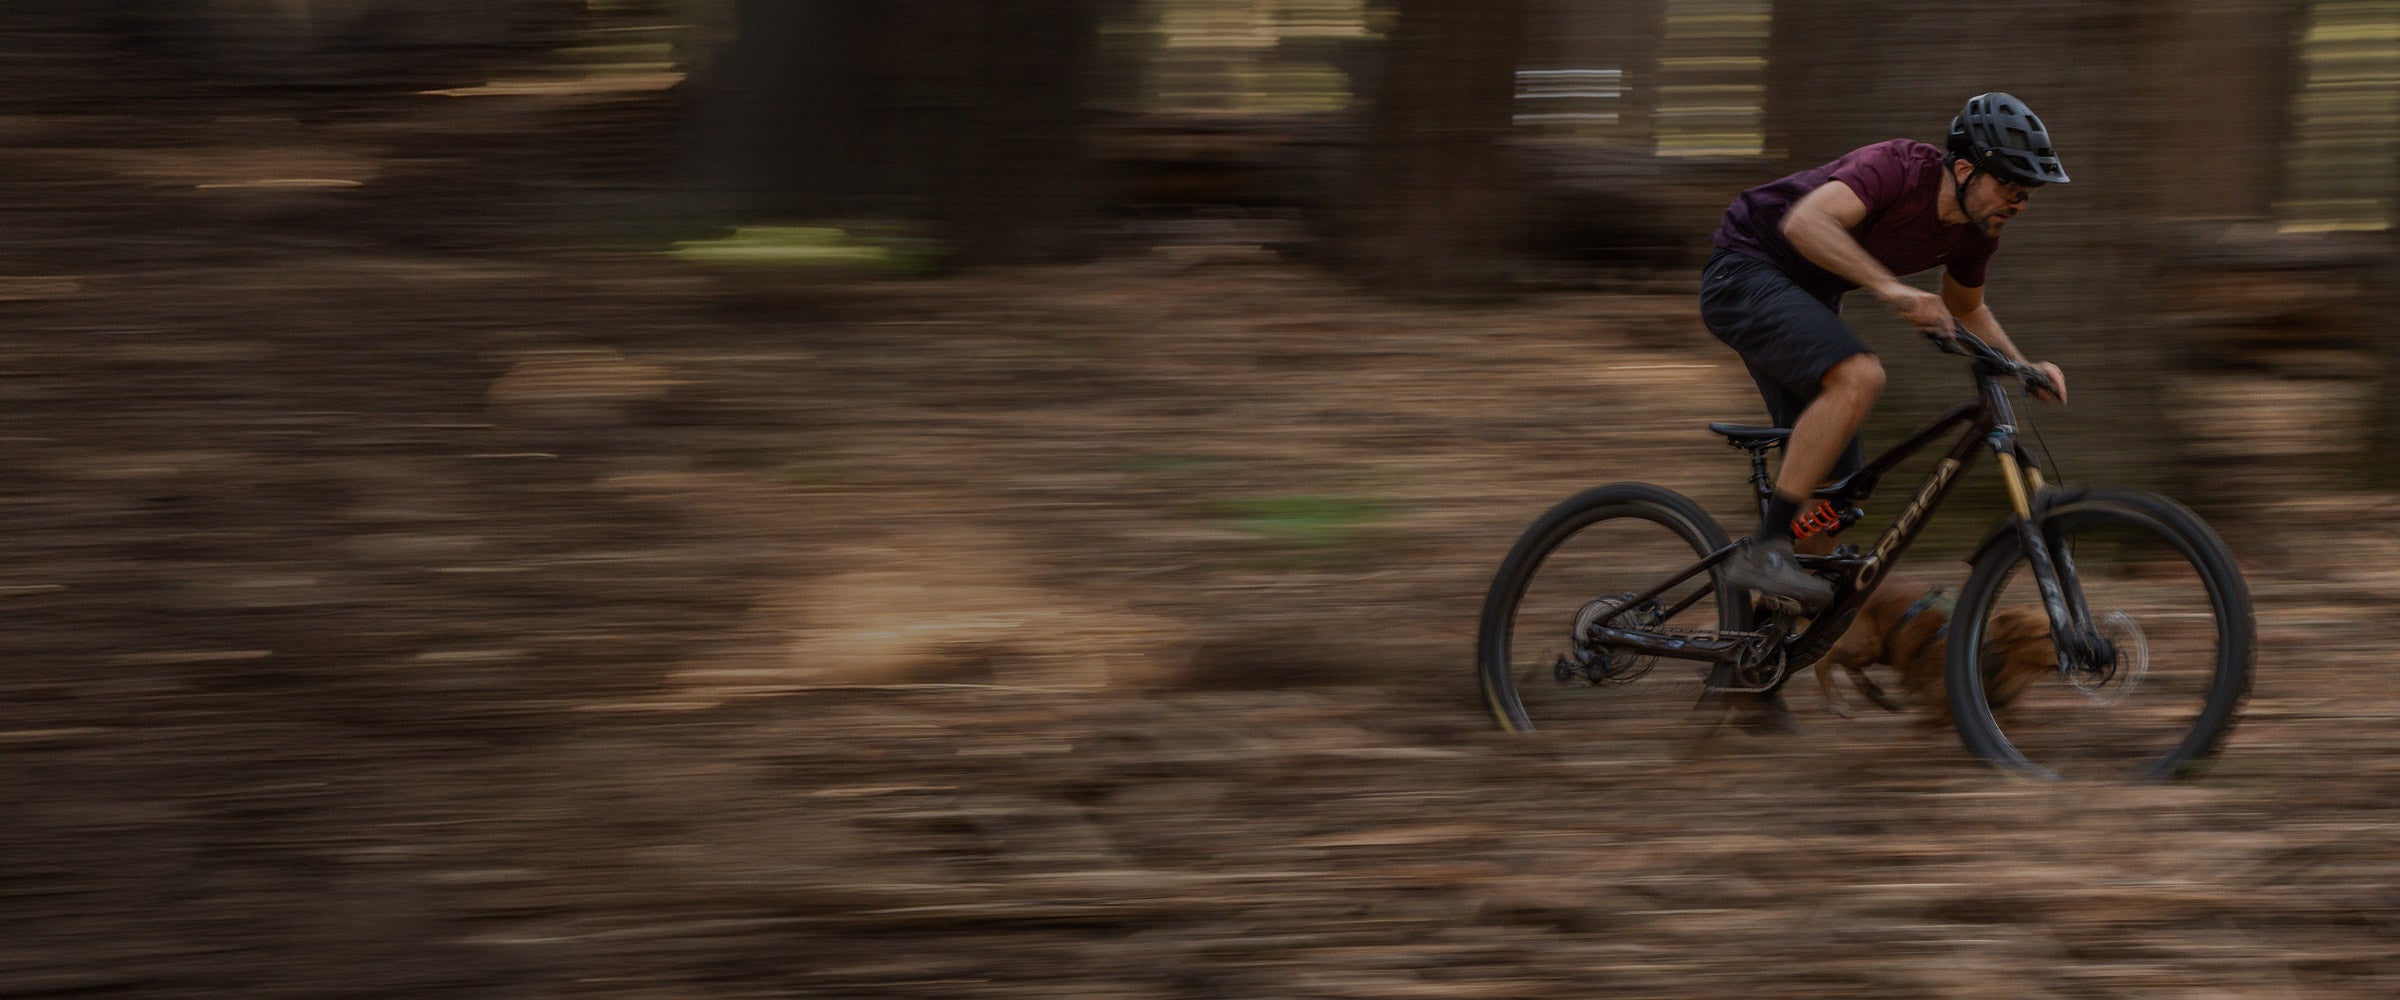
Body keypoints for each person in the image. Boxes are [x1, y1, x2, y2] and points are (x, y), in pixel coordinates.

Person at [1700, 92, 2070, 611]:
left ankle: (1762, 645)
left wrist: (2023, 364)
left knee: (1841, 491)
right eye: (2010, 185)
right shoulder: (1894, 168)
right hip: (1744, 271)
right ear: (1963, 169)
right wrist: (1890, 288)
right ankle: (1767, 549)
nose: (2020, 202)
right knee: (1861, 376)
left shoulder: (1975, 231)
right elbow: (1805, 222)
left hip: (1805, 299)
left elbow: (1965, 306)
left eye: (2028, 192)